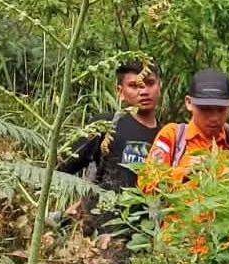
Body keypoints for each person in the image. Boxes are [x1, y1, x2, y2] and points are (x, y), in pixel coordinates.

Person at [59, 60, 162, 192]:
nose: (143, 91)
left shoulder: (168, 136)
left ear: (159, 86)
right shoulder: (105, 124)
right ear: (120, 91)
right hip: (105, 204)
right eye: (134, 85)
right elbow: (61, 169)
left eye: (150, 83)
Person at [143, 68, 229, 190]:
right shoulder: (173, 136)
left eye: (221, 109)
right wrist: (184, 172)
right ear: (188, 103)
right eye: (205, 109)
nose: (214, 117)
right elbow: (146, 182)